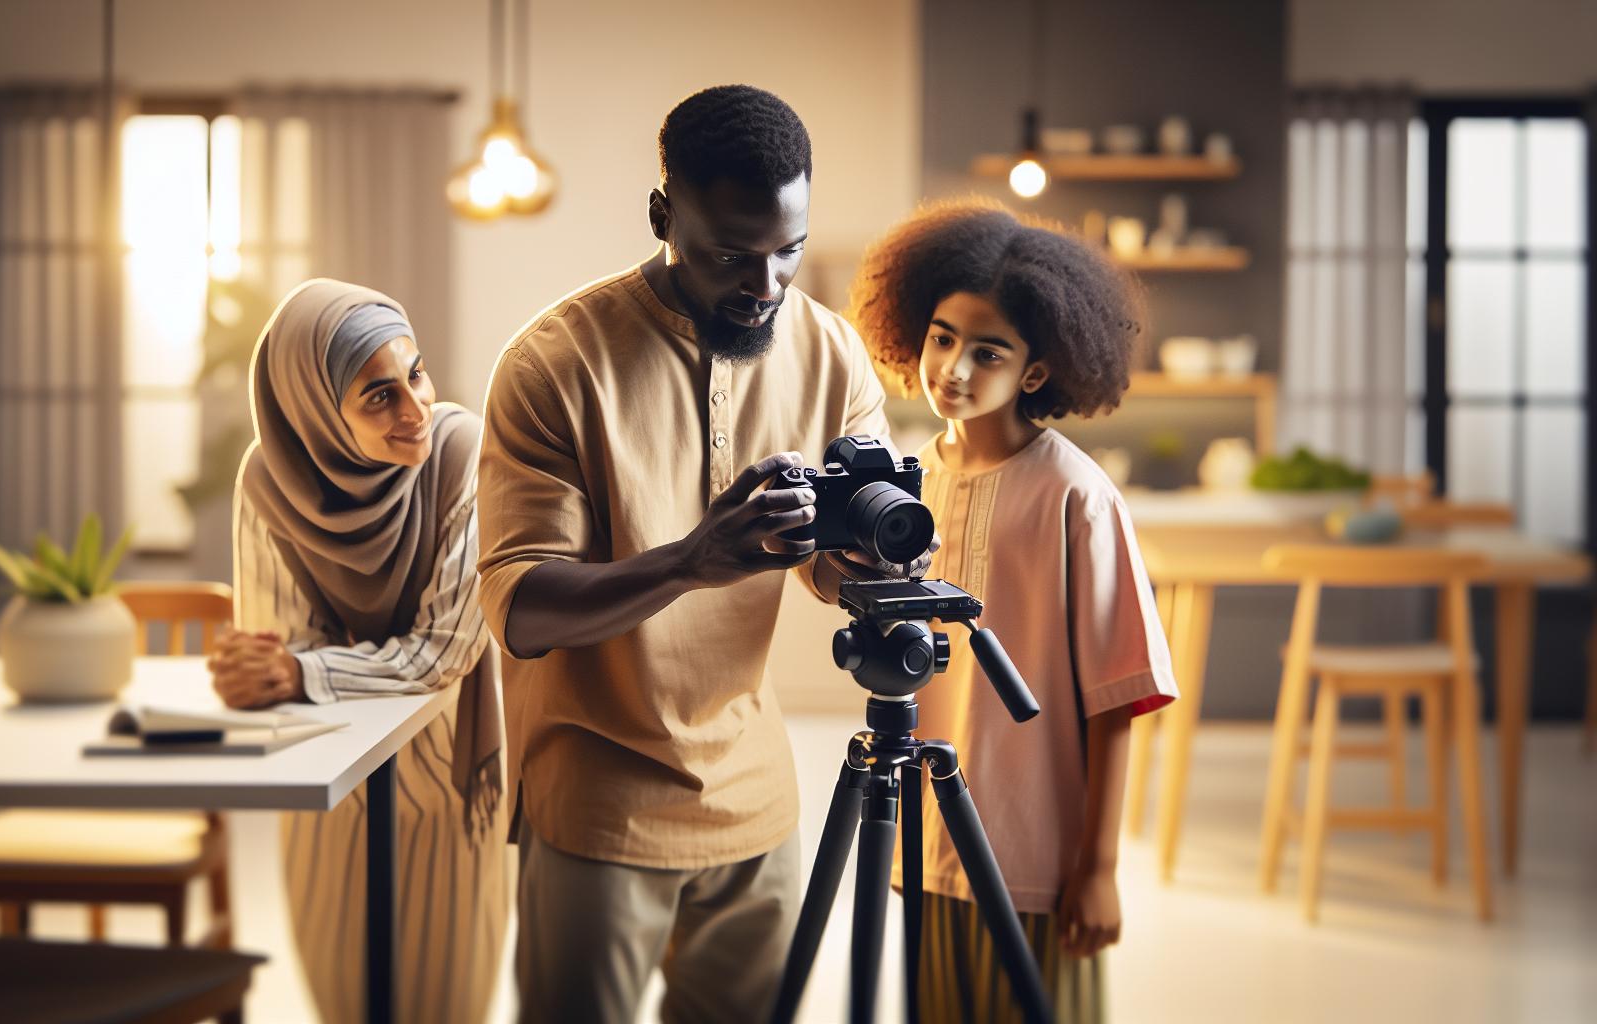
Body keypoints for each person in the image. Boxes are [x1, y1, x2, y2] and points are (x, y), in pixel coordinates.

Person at [477, 85, 924, 1024]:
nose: (765, 289)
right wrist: (689, 561)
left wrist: (869, 572)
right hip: (598, 800)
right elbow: (520, 609)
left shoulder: (833, 354)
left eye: (788, 253)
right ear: (662, 216)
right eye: (730, 255)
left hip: (755, 792)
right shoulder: (553, 363)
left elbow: (828, 572)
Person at [846, 198, 1179, 1023]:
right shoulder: (907, 481)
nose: (954, 369)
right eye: (943, 339)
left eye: (987, 351)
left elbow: (1119, 696)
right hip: (925, 841)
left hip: (1036, 856)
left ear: (1034, 371)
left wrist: (1098, 868)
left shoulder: (1077, 497)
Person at [209, 278, 506, 1024]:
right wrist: (290, 669)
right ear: (314, 415)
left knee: (448, 1001)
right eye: (378, 396)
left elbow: (444, 653)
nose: (416, 411)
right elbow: (278, 645)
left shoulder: (466, 453)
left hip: (451, 778)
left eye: (416, 374)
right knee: (344, 1001)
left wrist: (304, 672)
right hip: (328, 781)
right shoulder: (268, 479)